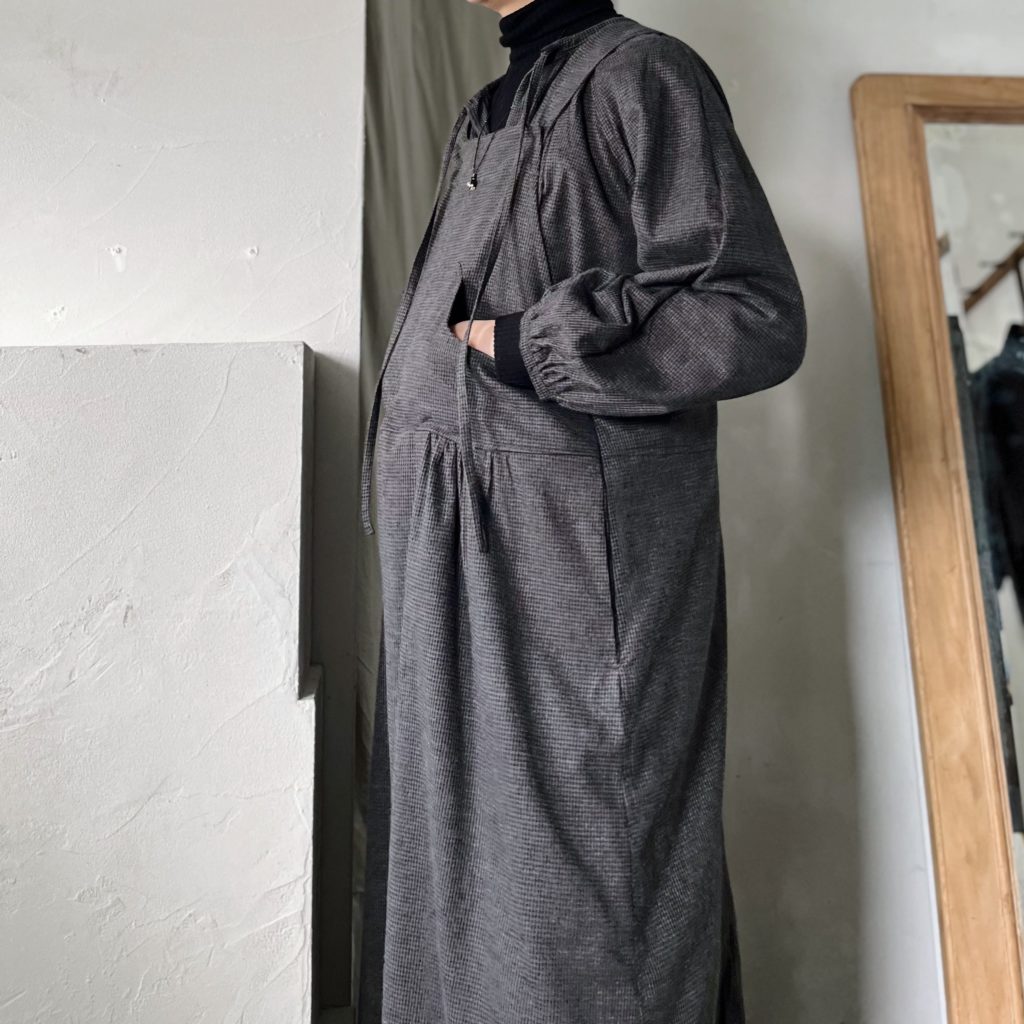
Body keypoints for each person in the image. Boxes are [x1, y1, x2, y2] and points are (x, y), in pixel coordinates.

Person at [357, 1, 807, 1021]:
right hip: (448, 552)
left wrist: (541, 346)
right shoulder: (487, 109)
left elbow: (755, 312)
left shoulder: (644, 74)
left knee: (586, 887)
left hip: (562, 563)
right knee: (453, 873)